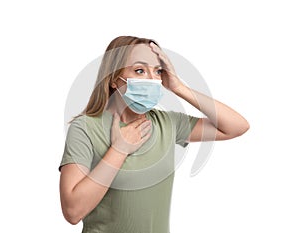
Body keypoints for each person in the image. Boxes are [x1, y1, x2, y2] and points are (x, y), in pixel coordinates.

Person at [58, 36, 249, 233]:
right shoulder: (86, 128)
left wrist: (179, 87)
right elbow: (72, 211)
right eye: (139, 70)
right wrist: (119, 149)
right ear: (114, 78)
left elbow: (236, 127)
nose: (151, 79)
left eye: (157, 71)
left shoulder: (167, 122)